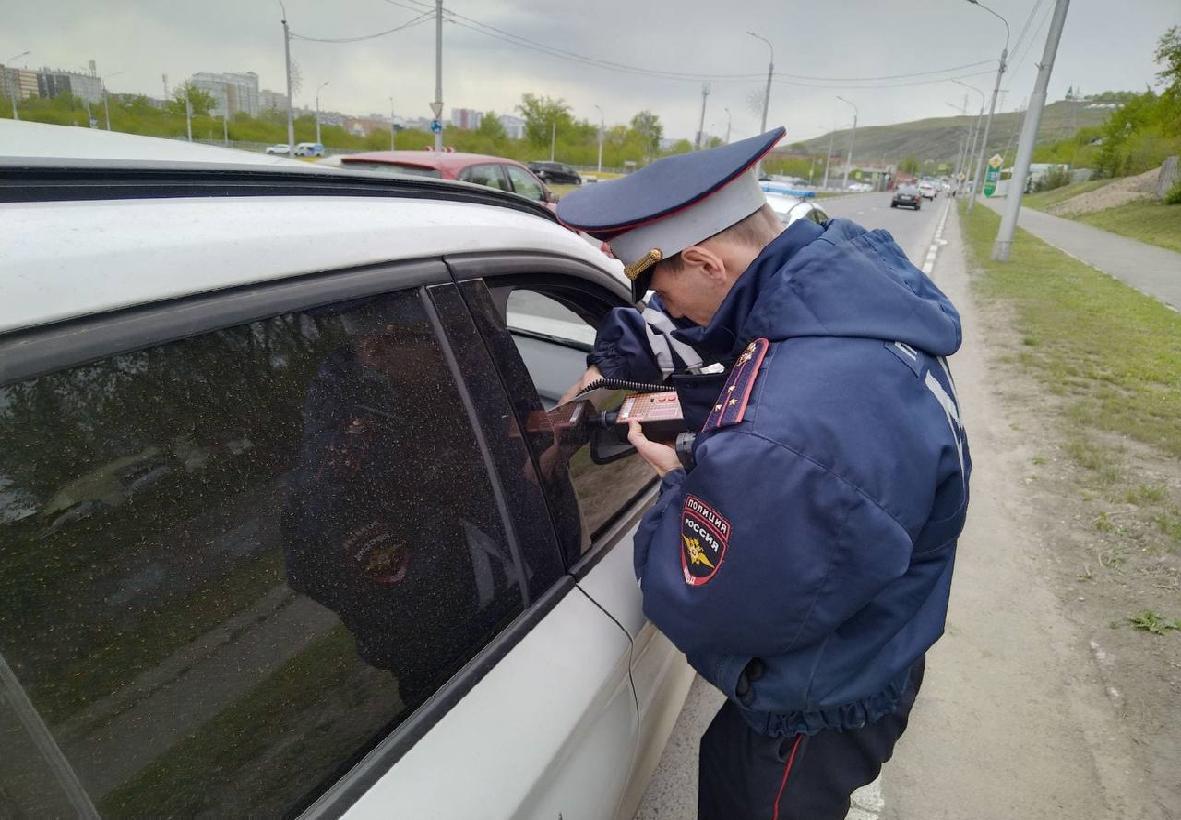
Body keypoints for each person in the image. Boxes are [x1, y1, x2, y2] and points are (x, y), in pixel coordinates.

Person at [555, 128, 971, 819]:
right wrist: (620, 371)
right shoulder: (843, 304)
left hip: (816, 701)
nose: (665, 309)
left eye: (661, 289)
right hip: (865, 644)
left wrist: (682, 484)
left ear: (705, 261)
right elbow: (722, 356)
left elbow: (719, 604)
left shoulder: (795, 420)